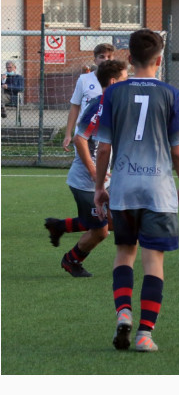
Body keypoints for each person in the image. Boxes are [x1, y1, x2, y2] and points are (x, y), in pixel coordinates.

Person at [94, 29, 179, 353]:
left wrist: (99, 187)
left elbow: (103, 147)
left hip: (122, 188)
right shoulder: (172, 94)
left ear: (128, 59)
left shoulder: (112, 94)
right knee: (154, 262)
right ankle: (145, 334)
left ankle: (123, 312)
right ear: (160, 60)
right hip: (158, 191)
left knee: (124, 253)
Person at [44, 60, 128, 277]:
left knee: (113, 222)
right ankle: (71, 260)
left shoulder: (114, 106)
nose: (127, 83)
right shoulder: (99, 106)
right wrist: (93, 171)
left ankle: (59, 226)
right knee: (100, 232)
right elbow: (80, 140)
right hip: (86, 183)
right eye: (124, 79)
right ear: (113, 82)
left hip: (102, 180)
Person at [63, 43, 115, 151]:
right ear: (95, 60)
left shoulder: (118, 81)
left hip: (105, 134)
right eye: (102, 57)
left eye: (109, 57)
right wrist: (68, 134)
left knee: (102, 167)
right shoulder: (84, 79)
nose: (105, 60)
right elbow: (75, 106)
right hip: (84, 134)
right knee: (83, 165)